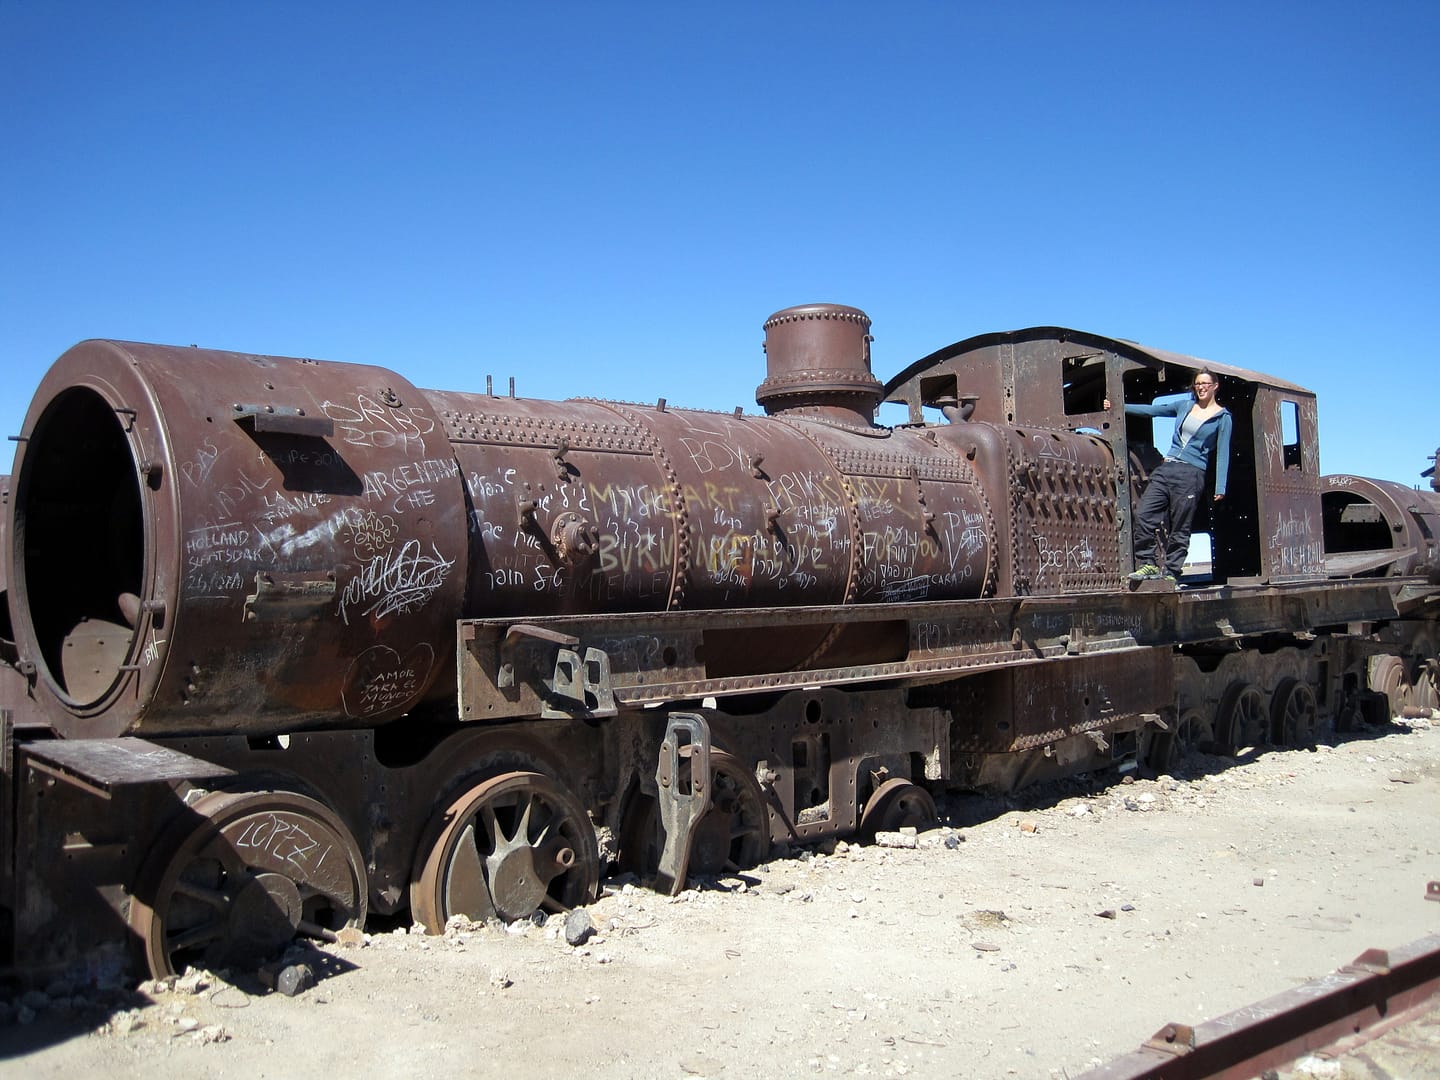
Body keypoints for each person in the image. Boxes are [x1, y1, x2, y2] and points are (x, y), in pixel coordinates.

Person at [1105, 370, 1232, 583]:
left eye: (1205, 384)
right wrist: (1119, 407)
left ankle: (1172, 572)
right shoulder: (1184, 406)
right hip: (1168, 468)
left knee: (1180, 525)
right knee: (1144, 514)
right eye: (1198, 384)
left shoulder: (1223, 417)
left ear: (1215, 386)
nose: (1201, 387)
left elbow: (1223, 452)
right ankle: (1148, 564)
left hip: (1192, 473)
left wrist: (1220, 486)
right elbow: (1152, 410)